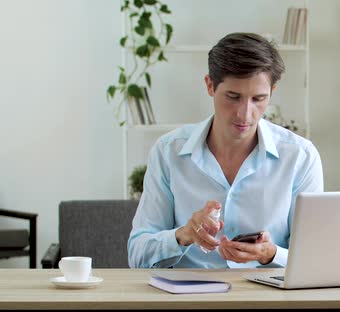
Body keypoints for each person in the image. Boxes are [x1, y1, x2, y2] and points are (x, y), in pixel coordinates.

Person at [127, 32, 323, 269]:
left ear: (273, 90)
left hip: (267, 301)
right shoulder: (168, 152)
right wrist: (183, 235)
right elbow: (137, 255)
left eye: (258, 99)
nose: (245, 113)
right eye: (233, 97)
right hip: (187, 301)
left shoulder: (300, 157)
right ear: (210, 85)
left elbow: (314, 260)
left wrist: (270, 254)